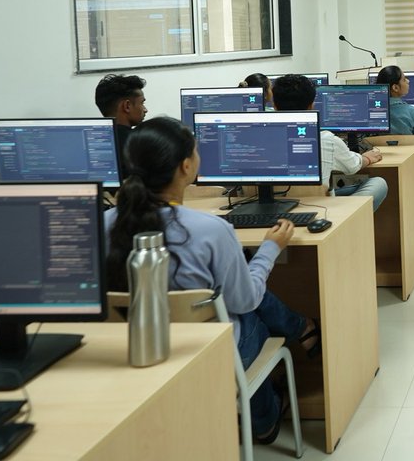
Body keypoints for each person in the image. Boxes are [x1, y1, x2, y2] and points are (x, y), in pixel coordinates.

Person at [104, 117, 319, 444]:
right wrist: (269, 249)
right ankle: (264, 419)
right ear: (186, 166)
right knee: (250, 312)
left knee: (234, 299)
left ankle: (302, 330)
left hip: (129, 351)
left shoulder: (103, 224)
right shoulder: (210, 230)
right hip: (205, 355)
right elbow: (245, 300)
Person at [270, 74, 389, 210]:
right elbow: (352, 167)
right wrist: (367, 157)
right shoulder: (326, 139)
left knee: (342, 189)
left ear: (274, 105)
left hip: (275, 207)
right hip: (320, 208)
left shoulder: (259, 138)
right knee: (378, 183)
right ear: (311, 105)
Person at [95, 74, 148, 177]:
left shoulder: (93, 140)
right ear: (127, 106)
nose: (145, 109)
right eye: (142, 103)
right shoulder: (139, 144)